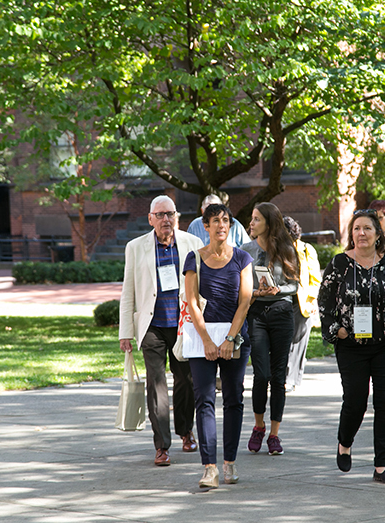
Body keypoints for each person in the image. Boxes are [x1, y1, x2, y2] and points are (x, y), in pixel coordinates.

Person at [318, 209, 385, 484]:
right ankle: (345, 442)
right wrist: (335, 330)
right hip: (351, 345)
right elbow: (324, 303)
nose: (361, 233)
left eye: (367, 229)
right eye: (356, 229)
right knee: (355, 401)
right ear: (351, 234)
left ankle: (381, 466)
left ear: (378, 235)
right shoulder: (339, 264)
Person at [118, 195, 203, 466]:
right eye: (160, 214)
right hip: (151, 325)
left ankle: (185, 430)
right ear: (150, 218)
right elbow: (128, 289)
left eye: (170, 214)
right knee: (156, 386)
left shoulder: (193, 243)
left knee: (186, 382)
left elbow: (202, 285)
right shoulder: (136, 247)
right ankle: (162, 445)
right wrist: (125, 332)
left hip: (183, 324)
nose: (166, 219)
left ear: (177, 217)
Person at [182, 203, 253, 489]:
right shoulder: (193, 259)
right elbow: (191, 304)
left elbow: (245, 301)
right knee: (205, 400)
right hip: (203, 342)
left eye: (226, 220)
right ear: (205, 226)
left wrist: (230, 339)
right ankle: (209, 468)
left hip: (234, 339)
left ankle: (230, 463)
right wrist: (209, 342)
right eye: (215, 221)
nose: (221, 225)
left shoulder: (243, 258)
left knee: (234, 399)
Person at [242, 203, 299, 455]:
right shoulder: (245, 250)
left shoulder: (287, 248)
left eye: (256, 220)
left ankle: (274, 434)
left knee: (278, 377)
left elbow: (295, 286)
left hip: (281, 313)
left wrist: (278, 290)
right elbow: (240, 286)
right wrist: (254, 292)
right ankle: (258, 426)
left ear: (269, 222)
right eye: (251, 219)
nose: (251, 224)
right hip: (256, 313)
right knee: (261, 374)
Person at [283, 216, 322, 392]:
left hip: (301, 302)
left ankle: (291, 380)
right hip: (282, 300)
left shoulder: (306, 250)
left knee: (297, 342)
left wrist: (313, 300)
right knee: (283, 341)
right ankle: (282, 377)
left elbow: (315, 279)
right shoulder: (276, 250)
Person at [186, 194, 251, 247]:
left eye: (217, 210)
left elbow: (249, 247)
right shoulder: (194, 225)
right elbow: (187, 248)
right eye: (208, 211)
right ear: (202, 211)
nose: (221, 225)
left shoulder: (234, 224)